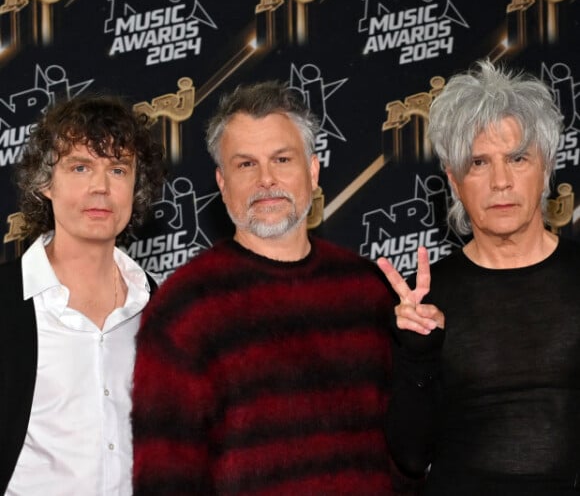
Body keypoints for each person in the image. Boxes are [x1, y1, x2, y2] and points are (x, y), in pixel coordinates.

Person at [131, 81, 416, 495]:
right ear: (222, 183)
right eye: (245, 164)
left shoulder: (369, 290)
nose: (266, 179)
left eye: (282, 159)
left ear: (313, 171)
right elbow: (166, 478)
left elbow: (408, 458)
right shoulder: (185, 309)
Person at [378, 59, 580, 495]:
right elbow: (411, 458)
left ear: (545, 169)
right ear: (453, 180)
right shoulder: (427, 300)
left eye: (518, 158)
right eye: (478, 163)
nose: (501, 181)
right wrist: (417, 355)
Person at [1, 96, 166, 495]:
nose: (101, 187)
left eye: (118, 169)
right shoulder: (6, 303)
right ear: (45, 182)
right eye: (80, 167)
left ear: (135, 186)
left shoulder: (160, 307)